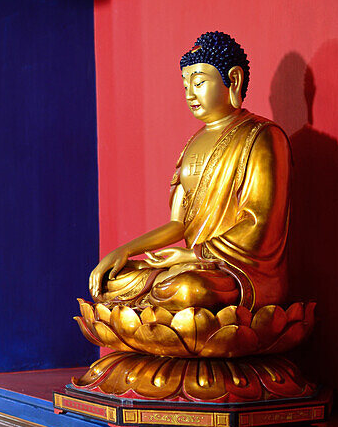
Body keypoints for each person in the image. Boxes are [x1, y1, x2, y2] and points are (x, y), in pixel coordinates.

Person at [89, 31, 291, 312]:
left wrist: (192, 256)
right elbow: (178, 225)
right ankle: (163, 302)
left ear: (233, 80)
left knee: (189, 291)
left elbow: (259, 225)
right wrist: (124, 251)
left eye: (199, 82)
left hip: (237, 273)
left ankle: (165, 308)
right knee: (115, 282)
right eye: (185, 85)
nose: (190, 94)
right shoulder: (192, 144)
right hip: (191, 267)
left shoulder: (263, 137)